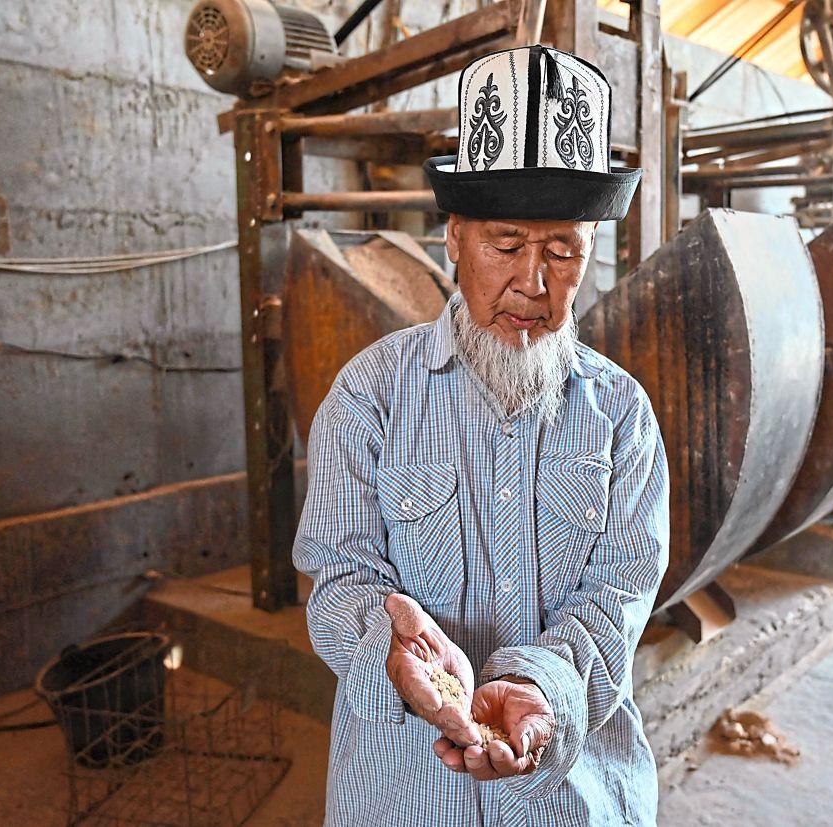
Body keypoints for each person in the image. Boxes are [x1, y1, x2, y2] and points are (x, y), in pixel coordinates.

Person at [294, 44, 670, 826]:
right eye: (506, 245)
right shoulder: (371, 397)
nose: (534, 283)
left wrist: (541, 688)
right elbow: (337, 577)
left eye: (563, 250)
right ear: (453, 240)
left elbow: (618, 596)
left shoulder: (622, 414)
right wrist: (390, 654)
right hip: (403, 798)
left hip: (572, 798)